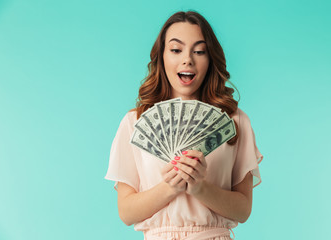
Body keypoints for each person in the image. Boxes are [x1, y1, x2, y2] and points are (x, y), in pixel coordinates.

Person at [105, 11, 263, 240]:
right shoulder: (135, 122)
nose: (187, 59)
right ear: (162, 57)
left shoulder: (234, 120)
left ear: (210, 60)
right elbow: (127, 212)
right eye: (176, 50)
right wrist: (170, 187)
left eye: (199, 51)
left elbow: (243, 209)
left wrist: (200, 187)